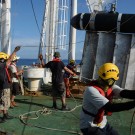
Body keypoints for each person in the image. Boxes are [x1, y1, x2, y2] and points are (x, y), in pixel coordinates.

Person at [80, 63, 135, 135]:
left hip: (103, 123)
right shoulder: (91, 90)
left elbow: (124, 93)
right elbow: (110, 107)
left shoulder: (110, 87)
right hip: (89, 125)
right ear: (111, 80)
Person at [0, 46, 21, 123]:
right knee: (3, 102)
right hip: (3, 86)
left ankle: (5, 114)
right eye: (4, 59)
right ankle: (3, 117)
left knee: (5, 102)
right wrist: (15, 51)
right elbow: (10, 59)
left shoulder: (2, 66)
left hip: (4, 85)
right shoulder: (1, 65)